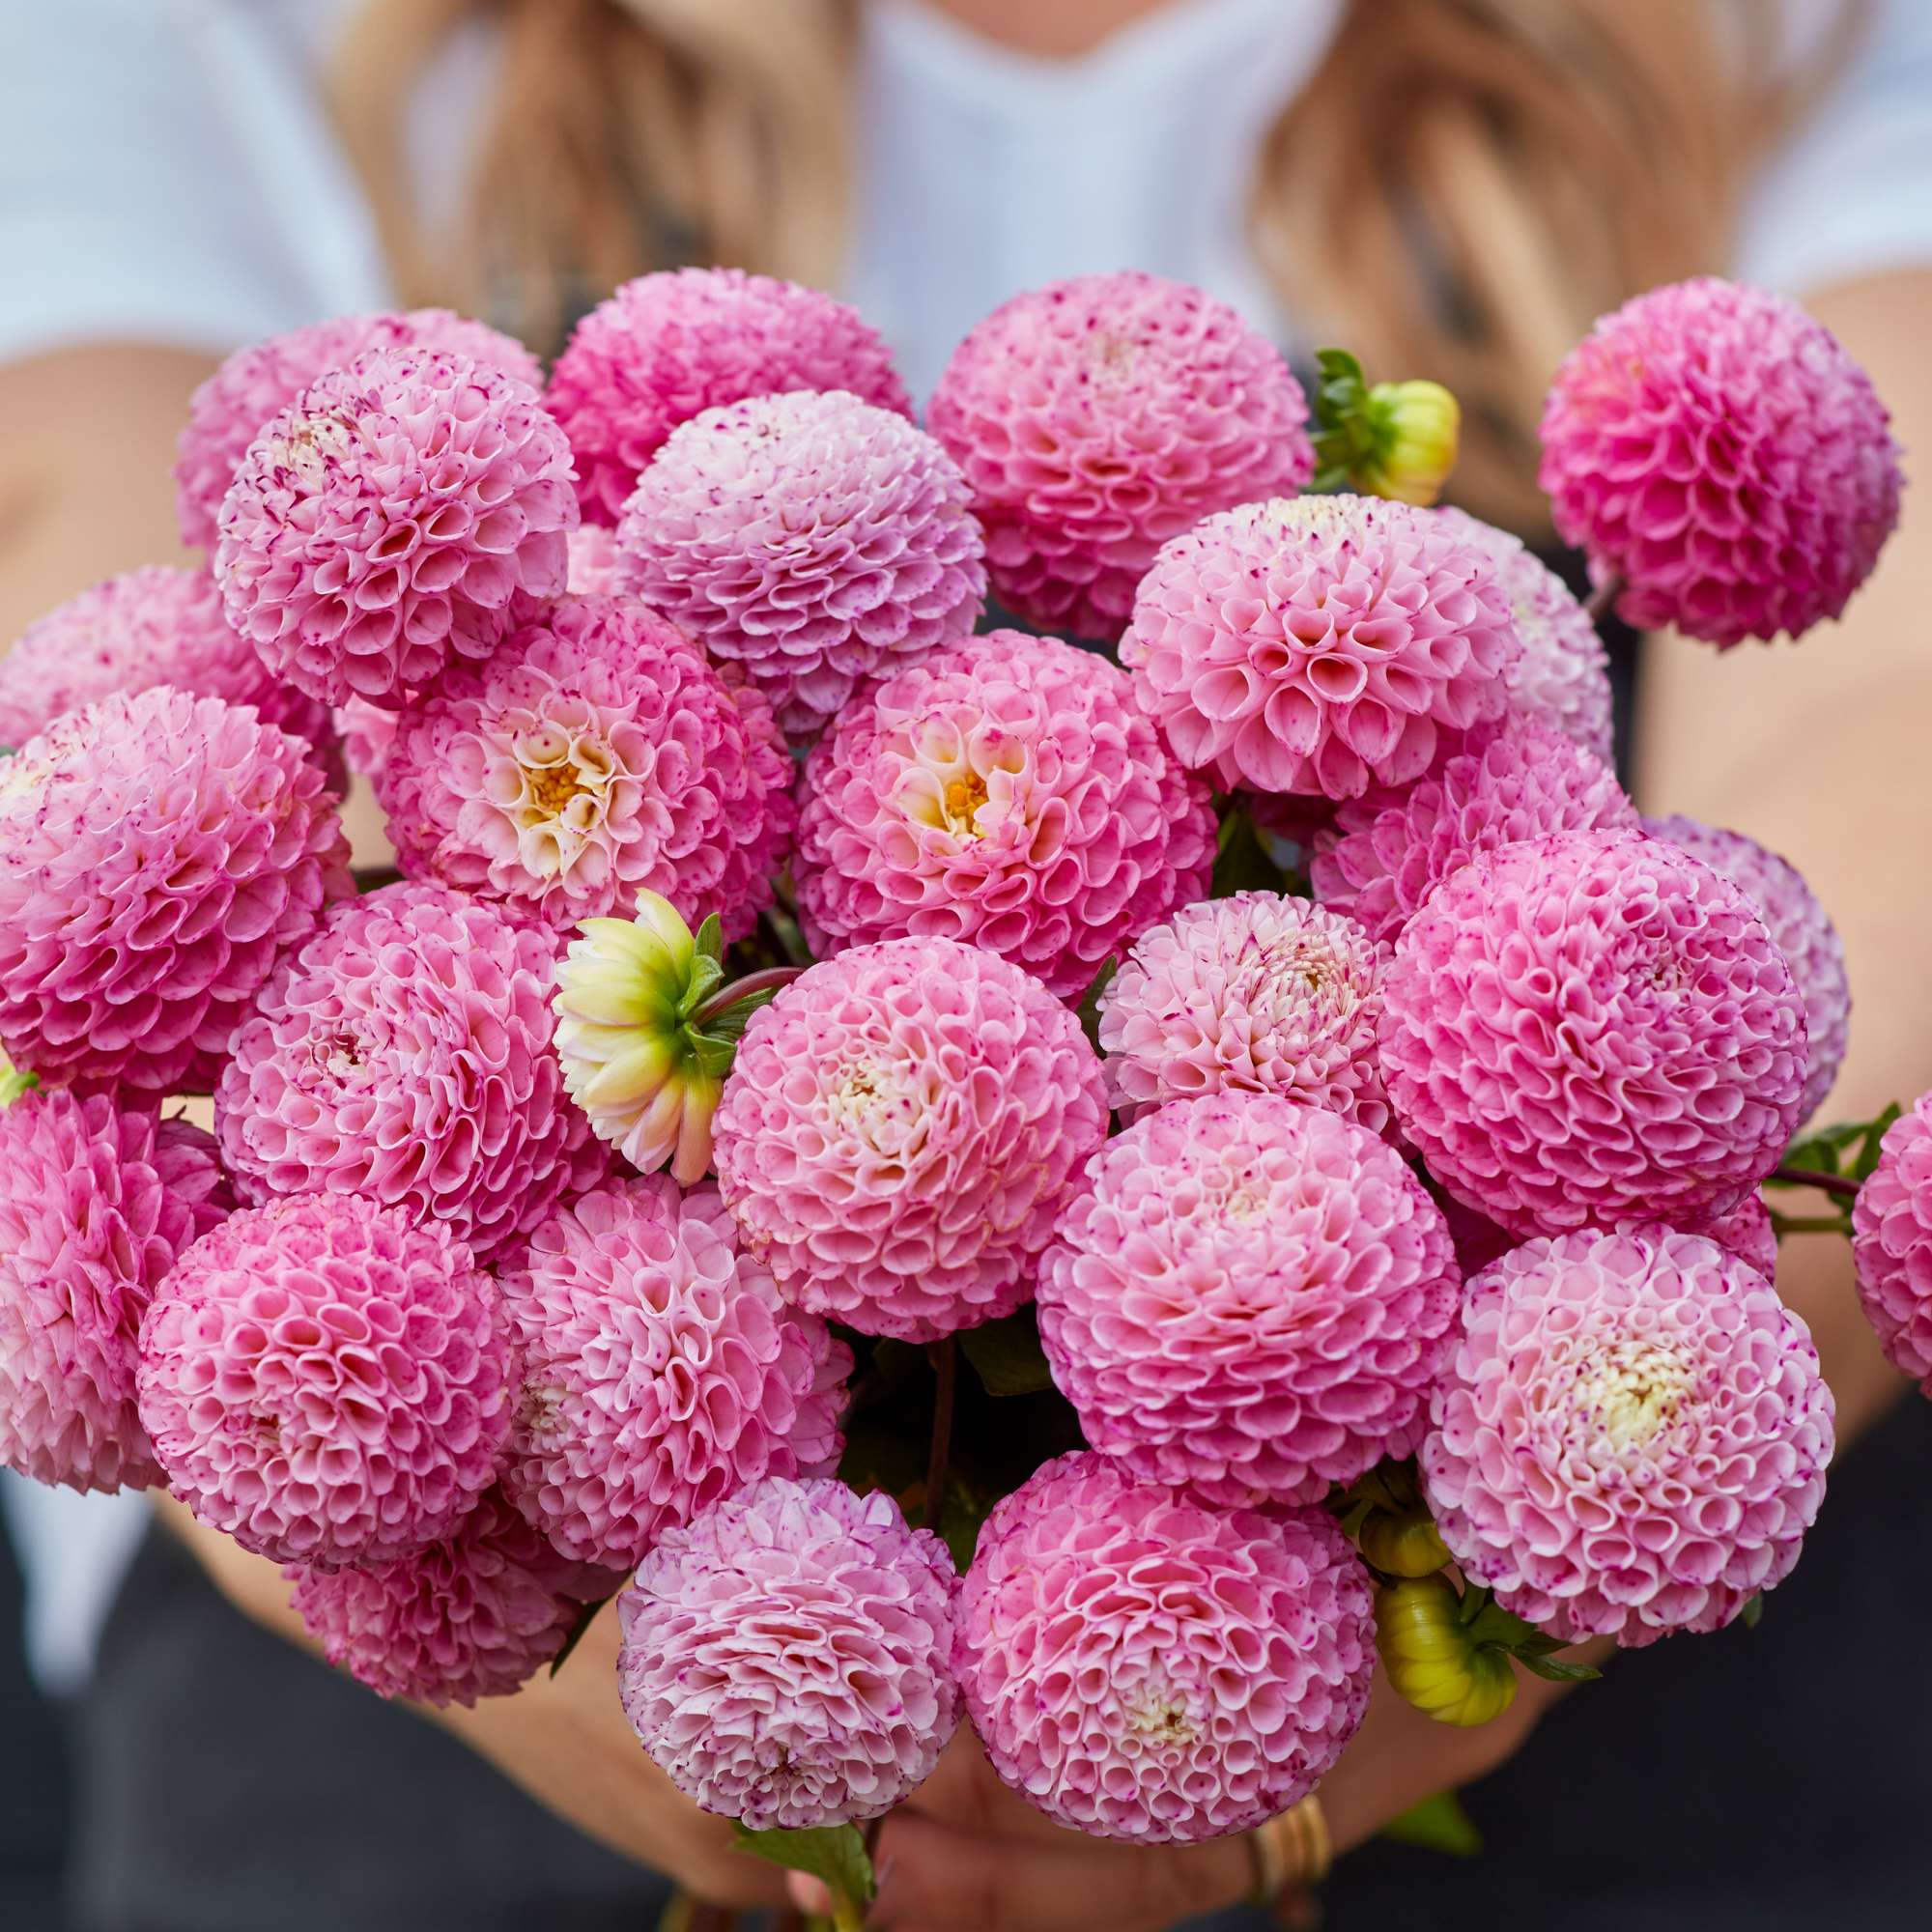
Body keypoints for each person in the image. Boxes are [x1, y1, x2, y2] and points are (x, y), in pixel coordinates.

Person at [1, 2, 1929, 1927]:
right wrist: (371, 1517)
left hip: (1617, 1782)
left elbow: (1891, 732)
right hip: (436, 1776)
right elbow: (60, 674)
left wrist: (1622, 1435)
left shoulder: (1778, 32)